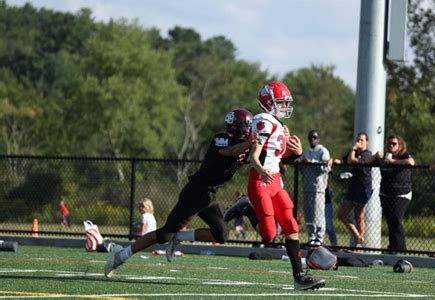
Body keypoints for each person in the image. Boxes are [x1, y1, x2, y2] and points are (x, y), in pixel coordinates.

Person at [104, 108, 256, 277]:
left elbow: (264, 151)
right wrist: (252, 141)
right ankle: (122, 254)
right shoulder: (222, 139)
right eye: (248, 125)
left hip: (209, 194)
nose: (251, 129)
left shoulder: (247, 143)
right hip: (196, 191)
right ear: (239, 126)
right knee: (164, 234)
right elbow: (233, 151)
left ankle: (182, 236)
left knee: (222, 234)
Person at [247, 81, 325, 290]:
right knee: (269, 235)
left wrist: (297, 152)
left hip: (275, 182)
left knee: (291, 225)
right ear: (268, 102)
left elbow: (280, 158)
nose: (284, 106)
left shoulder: (278, 124)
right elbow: (254, 156)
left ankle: (299, 277)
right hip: (261, 181)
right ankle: (246, 208)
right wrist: (260, 169)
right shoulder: (263, 121)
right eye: (280, 102)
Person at [374, 135, 415, 253]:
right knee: (390, 221)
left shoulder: (404, 155)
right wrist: (376, 155)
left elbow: (411, 162)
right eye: (389, 144)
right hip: (386, 193)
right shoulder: (385, 157)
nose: (391, 146)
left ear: (400, 145)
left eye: (394, 144)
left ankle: (401, 248)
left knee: (396, 220)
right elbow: (366, 162)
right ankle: (392, 247)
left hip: (401, 193)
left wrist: (393, 161)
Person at [337, 132, 374, 250]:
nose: (359, 142)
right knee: (342, 214)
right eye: (358, 139)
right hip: (353, 187)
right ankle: (358, 236)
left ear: (366, 142)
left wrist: (353, 149)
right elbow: (346, 161)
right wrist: (335, 161)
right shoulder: (354, 153)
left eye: (362, 140)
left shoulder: (367, 154)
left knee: (359, 217)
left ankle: (359, 244)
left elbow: (352, 161)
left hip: (363, 188)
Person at [299, 130, 332, 248]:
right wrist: (301, 162)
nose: (312, 139)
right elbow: (301, 169)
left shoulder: (323, 151)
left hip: (318, 188)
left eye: (315, 137)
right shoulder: (306, 151)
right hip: (306, 187)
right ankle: (311, 237)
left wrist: (312, 162)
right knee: (308, 215)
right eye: (310, 137)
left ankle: (319, 238)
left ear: (318, 139)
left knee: (318, 214)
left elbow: (326, 168)